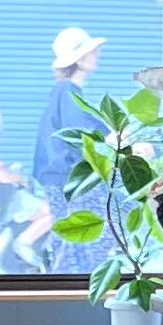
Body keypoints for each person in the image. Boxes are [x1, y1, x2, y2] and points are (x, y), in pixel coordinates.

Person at [31, 26, 106, 215]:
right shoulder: (68, 93)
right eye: (93, 52)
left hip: (60, 179)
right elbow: (83, 133)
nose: (97, 55)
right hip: (66, 180)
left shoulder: (64, 92)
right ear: (80, 59)